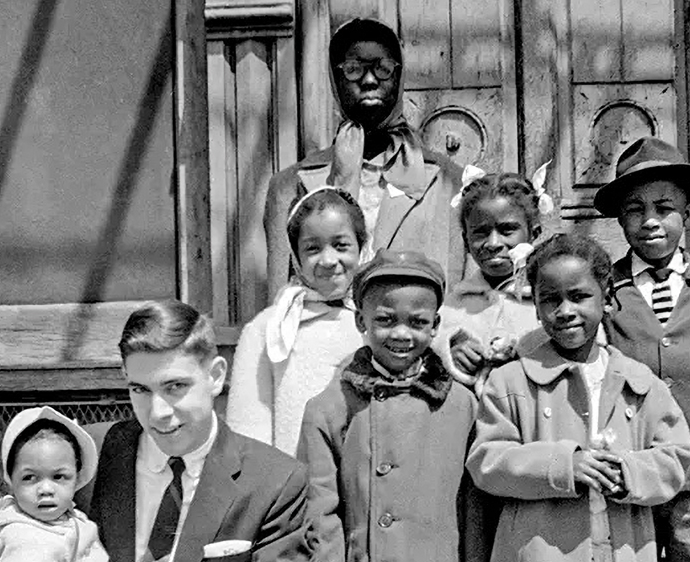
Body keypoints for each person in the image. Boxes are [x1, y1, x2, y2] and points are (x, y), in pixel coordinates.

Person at [466, 233, 690, 562]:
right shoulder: (510, 383)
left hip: (623, 549)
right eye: (550, 299)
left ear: (606, 299)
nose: (564, 311)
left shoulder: (640, 383)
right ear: (536, 307)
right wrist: (565, 466)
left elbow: (676, 458)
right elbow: (487, 461)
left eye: (578, 296)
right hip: (540, 551)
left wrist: (626, 472)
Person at [593, 137, 690, 562]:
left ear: (688, 214)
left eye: (664, 208)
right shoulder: (603, 289)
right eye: (635, 209)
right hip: (628, 462)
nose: (650, 221)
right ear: (620, 220)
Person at [76, 300, 311, 562]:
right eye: (140, 389)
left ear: (216, 376)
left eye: (175, 386)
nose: (158, 413)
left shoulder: (274, 483)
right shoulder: (86, 455)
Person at [296, 249, 483, 562]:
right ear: (360, 320)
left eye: (417, 322)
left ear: (435, 325)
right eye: (384, 320)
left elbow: (475, 512)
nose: (400, 333)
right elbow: (318, 511)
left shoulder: (462, 407)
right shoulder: (329, 408)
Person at [264, 17, 467, 299]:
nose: (370, 81)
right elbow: (280, 301)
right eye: (353, 69)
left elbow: (462, 290)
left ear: (399, 76)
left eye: (383, 69)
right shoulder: (289, 186)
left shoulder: (447, 180)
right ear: (335, 80)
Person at [227, 187, 366, 455]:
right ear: (296, 256)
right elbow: (248, 433)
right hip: (295, 486)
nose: (328, 260)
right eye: (313, 249)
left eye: (341, 245)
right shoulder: (269, 329)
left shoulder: (377, 324)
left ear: (361, 246)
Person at [433, 171, 549, 395]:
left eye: (507, 230)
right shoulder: (453, 306)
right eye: (480, 233)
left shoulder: (550, 298)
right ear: (466, 241)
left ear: (534, 233)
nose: (493, 243)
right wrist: (450, 350)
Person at [0, 406, 108, 562]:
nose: (46, 490)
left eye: (58, 477)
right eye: (29, 477)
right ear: (11, 481)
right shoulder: (26, 539)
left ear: (77, 478)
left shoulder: (76, 522)